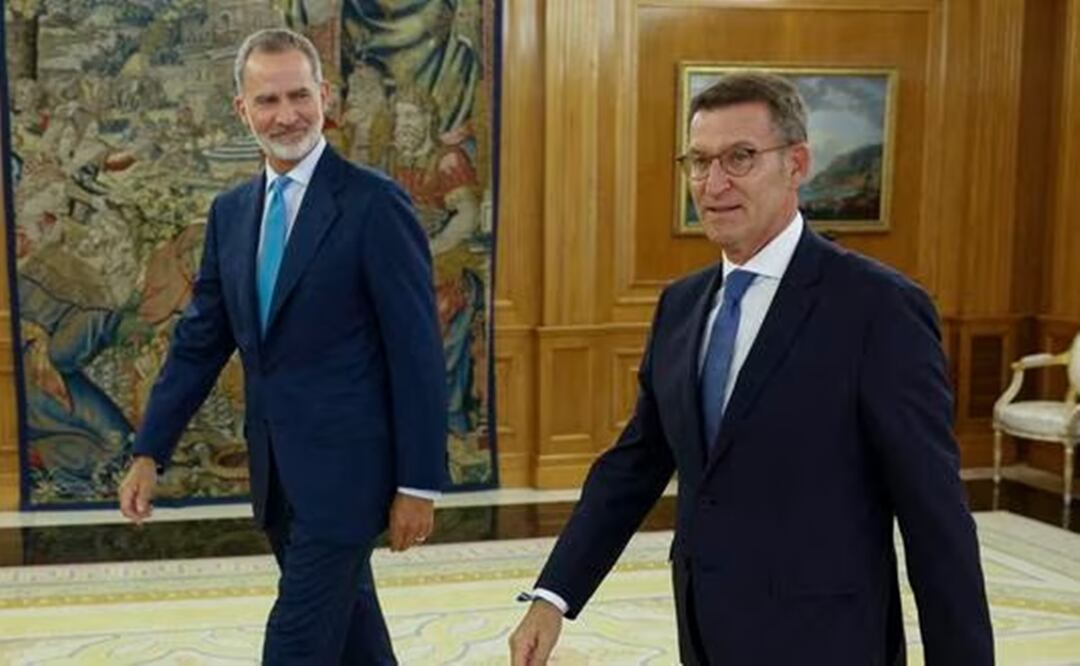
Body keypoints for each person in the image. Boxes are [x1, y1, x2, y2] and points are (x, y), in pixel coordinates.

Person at [509, 72, 993, 665]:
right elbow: (635, 465)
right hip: (705, 634)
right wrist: (552, 597)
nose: (714, 184)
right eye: (699, 161)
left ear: (797, 164)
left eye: (740, 158)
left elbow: (935, 517)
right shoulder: (680, 306)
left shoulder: (877, 309)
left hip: (829, 642)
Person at [118, 28, 447, 665]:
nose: (286, 114)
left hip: (350, 482)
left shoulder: (375, 204)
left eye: (300, 95)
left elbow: (417, 353)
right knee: (355, 642)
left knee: (295, 645)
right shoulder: (231, 212)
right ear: (242, 110)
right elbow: (199, 343)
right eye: (267, 101)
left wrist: (419, 484)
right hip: (276, 479)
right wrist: (149, 449)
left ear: (325, 96)